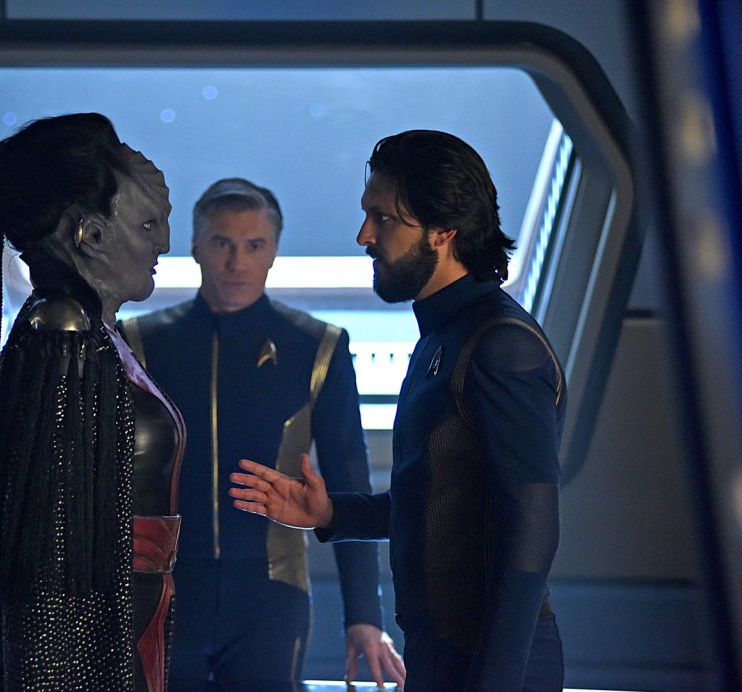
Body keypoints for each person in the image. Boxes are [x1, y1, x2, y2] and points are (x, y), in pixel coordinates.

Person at [230, 130, 566, 691]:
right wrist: (331, 513)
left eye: (382, 218)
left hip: (491, 665)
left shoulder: (500, 345)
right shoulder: (445, 337)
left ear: (443, 231)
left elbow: (531, 532)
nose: (364, 235)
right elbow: (441, 501)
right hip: (446, 655)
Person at [119, 178, 404, 690]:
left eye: (254, 245)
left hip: (270, 598)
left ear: (274, 251)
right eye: (221, 243)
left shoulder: (317, 346)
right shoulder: (138, 343)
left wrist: (365, 617)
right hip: (160, 591)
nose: (237, 262)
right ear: (195, 247)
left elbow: (349, 485)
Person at [0, 113, 183, 691]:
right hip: (95, 640)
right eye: (148, 224)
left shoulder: (91, 335)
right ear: (91, 237)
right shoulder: (64, 335)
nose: (164, 243)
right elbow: (51, 559)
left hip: (124, 619)